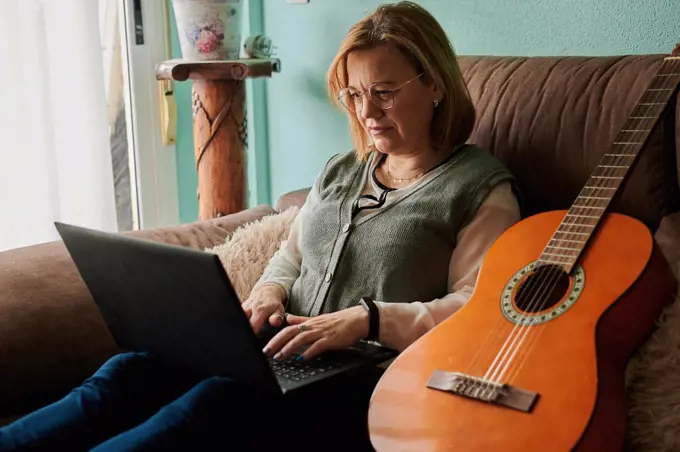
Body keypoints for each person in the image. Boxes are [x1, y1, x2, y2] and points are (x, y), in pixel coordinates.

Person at [0, 1, 521, 451]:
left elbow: (480, 309)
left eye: (384, 92)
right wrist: (270, 291)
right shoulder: (341, 170)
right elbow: (291, 255)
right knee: (128, 371)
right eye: (354, 95)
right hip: (280, 351)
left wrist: (367, 320)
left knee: (210, 404)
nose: (367, 112)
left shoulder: (480, 188)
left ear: (434, 84)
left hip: (364, 379)